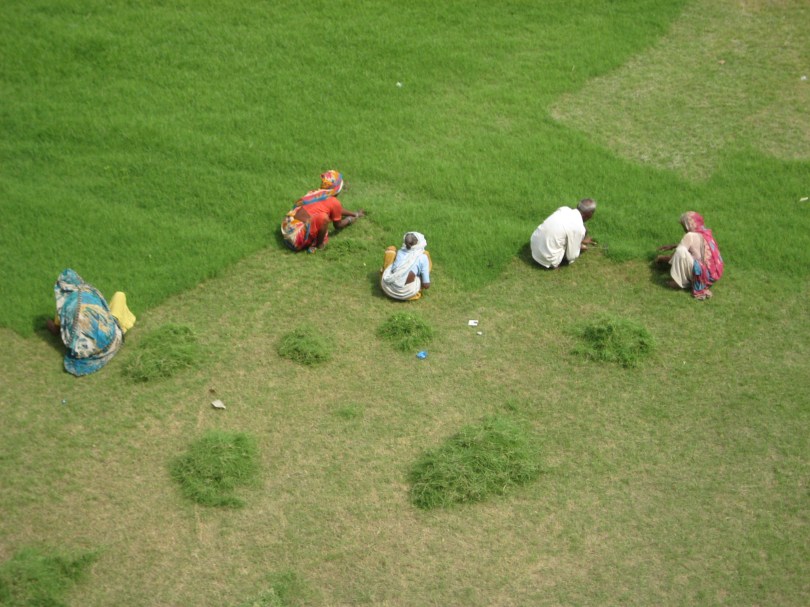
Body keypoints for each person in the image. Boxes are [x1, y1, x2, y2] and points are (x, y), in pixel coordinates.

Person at [46, 269, 136, 376]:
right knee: (119, 295)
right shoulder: (90, 292)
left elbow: (56, 330)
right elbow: (104, 310)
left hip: (84, 351)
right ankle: (121, 327)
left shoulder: (64, 306)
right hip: (109, 341)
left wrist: (47, 322)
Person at [280, 170, 365, 253]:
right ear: (338, 188)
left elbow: (336, 209)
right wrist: (350, 219)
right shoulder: (333, 201)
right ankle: (319, 245)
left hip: (287, 230)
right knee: (324, 218)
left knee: (320, 216)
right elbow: (338, 225)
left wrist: (354, 214)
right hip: (295, 241)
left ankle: (311, 236)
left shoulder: (317, 194)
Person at [655, 211, 724, 299]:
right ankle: (693, 280)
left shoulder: (689, 235)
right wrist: (673, 245)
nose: (684, 229)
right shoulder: (707, 235)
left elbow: (678, 254)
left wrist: (661, 259)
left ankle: (680, 282)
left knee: (680, 251)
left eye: (684, 225)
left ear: (688, 225)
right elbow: (695, 247)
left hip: (701, 275)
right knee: (682, 250)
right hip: (711, 277)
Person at [530, 198, 596, 269]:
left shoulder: (564, 209)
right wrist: (579, 247)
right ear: (589, 214)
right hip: (546, 258)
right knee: (570, 249)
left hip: (534, 245)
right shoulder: (579, 228)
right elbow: (571, 256)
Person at [380, 232, 432, 300]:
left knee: (391, 250)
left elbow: (394, 269)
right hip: (408, 294)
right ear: (419, 243)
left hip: (387, 289)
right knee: (426, 255)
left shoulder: (400, 252)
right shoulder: (422, 257)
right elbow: (426, 285)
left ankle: (382, 271)